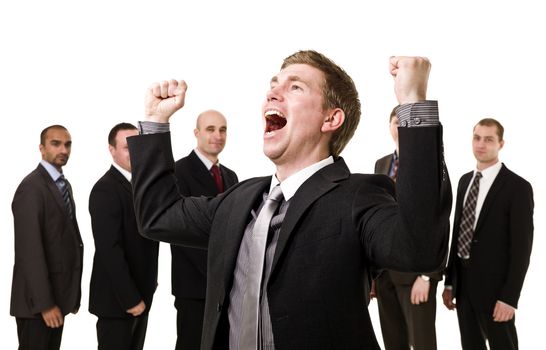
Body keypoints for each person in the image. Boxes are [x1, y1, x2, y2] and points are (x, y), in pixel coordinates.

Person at [128, 50, 452, 349]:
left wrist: (412, 102)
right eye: (274, 85)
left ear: (331, 119)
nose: (273, 92)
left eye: (295, 87)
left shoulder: (359, 197)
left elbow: (421, 249)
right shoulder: (239, 199)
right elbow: (159, 215)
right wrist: (156, 121)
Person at [442, 118, 533, 350]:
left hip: (496, 291)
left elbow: (522, 248)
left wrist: (510, 298)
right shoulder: (464, 181)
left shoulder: (517, 187)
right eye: (477, 137)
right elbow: (458, 233)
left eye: (489, 139)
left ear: (500, 144)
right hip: (463, 287)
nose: (481, 144)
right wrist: (450, 283)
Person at [372, 107, 442, 350]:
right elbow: (375, 217)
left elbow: (439, 218)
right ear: (390, 125)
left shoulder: (430, 161)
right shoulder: (381, 164)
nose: (399, 127)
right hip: (384, 275)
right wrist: (371, 274)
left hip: (416, 275)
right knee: (393, 344)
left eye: (404, 122)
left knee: (423, 344)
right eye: (395, 121)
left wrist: (427, 276)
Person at [10, 124, 83, 350]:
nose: (63, 149)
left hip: (58, 298)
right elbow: (29, 251)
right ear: (42, 148)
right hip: (38, 305)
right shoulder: (32, 188)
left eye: (67, 144)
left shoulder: (62, 185)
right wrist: (45, 304)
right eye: (56, 143)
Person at [88, 122, 159, 350]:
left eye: (137, 145)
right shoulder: (105, 189)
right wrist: (131, 299)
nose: (134, 151)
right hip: (118, 303)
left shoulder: (142, 186)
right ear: (112, 151)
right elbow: (109, 250)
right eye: (127, 147)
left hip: (141, 296)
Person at [171, 110, 238, 349]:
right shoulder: (179, 172)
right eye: (210, 129)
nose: (217, 135)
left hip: (225, 287)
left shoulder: (230, 177)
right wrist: (217, 274)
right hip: (194, 286)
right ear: (196, 133)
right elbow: (180, 232)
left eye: (223, 129)